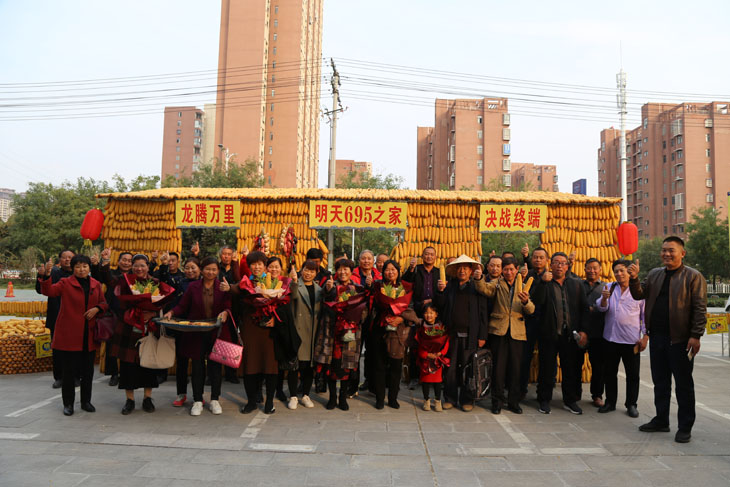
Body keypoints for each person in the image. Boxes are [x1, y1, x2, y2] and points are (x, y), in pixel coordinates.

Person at [628, 236, 706, 443]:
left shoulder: (693, 276)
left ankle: (685, 426)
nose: (667, 254)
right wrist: (634, 279)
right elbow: (639, 295)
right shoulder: (654, 274)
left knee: (683, 384)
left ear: (682, 253)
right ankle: (661, 420)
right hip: (658, 338)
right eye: (664, 250)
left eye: (671, 250)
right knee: (660, 382)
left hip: (681, 340)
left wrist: (696, 335)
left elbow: (700, 308)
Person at [40, 255, 107, 416]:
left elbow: (104, 303)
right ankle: (68, 404)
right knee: (69, 373)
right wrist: (47, 275)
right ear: (73, 268)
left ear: (89, 268)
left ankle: (86, 402)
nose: (81, 269)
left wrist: (97, 308)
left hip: (88, 335)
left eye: (84, 266)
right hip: (70, 335)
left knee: (88, 372)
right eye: (77, 266)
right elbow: (49, 291)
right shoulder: (65, 283)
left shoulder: (95, 284)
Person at [165, 257, 232, 416]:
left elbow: (228, 305)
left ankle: (215, 399)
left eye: (214, 269)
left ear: (218, 271)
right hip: (196, 331)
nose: (210, 272)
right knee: (197, 366)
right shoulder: (193, 287)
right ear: (202, 270)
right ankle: (197, 400)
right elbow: (183, 305)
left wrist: (225, 312)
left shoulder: (222, 287)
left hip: (215, 331)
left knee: (215, 367)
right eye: (207, 269)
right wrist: (172, 312)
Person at [473, 256, 534, 415]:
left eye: (511, 269)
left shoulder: (523, 286)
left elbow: (531, 310)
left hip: (517, 333)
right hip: (499, 331)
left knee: (515, 370)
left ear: (517, 270)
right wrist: (478, 278)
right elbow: (484, 289)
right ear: (502, 271)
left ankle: (513, 402)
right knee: (498, 369)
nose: (508, 272)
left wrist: (526, 302)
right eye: (505, 269)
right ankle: (497, 402)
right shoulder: (497, 283)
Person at [533, 252, 590, 415]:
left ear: (567, 266)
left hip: (570, 335)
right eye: (556, 262)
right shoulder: (544, 282)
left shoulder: (576, 284)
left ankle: (570, 400)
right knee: (547, 368)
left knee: (570, 368)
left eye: (563, 263)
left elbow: (584, 309)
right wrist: (542, 283)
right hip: (549, 333)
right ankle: (544, 399)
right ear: (550, 265)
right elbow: (536, 302)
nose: (559, 266)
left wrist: (583, 330)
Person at [224, 251, 279, 414]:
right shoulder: (245, 283)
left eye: (260, 264)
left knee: (270, 365)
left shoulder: (275, 282)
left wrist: (276, 319)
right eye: (253, 264)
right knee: (251, 364)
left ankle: (269, 402)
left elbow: (284, 305)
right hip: (250, 328)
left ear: (265, 266)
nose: (257, 267)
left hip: (269, 329)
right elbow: (236, 290)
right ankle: (251, 401)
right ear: (249, 266)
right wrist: (229, 288)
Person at [108, 254, 163, 415]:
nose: (139, 268)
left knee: (148, 364)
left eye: (142, 265)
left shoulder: (155, 282)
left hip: (148, 327)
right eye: (136, 265)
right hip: (128, 327)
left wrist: (152, 314)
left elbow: (162, 304)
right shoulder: (124, 281)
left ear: (148, 266)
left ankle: (147, 398)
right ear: (132, 267)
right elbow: (109, 284)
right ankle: (129, 400)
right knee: (127, 365)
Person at [435, 255, 488, 412]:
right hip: (451, 335)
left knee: (468, 368)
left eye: (465, 268)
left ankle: (467, 399)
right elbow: (440, 306)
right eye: (459, 268)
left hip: (470, 336)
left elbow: (483, 314)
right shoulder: (449, 286)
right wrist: (440, 292)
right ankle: (450, 398)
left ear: (471, 271)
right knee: (450, 368)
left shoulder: (477, 288)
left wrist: (482, 336)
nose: (462, 271)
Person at [314, 259, 368, 411]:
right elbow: (322, 302)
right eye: (340, 269)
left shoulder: (358, 288)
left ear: (351, 271)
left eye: (346, 269)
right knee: (332, 365)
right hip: (332, 332)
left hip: (350, 332)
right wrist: (328, 290)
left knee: (347, 365)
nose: (343, 272)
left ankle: (342, 398)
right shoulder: (330, 285)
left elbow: (364, 309)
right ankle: (332, 398)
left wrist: (355, 318)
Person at [596, 259, 646, 418]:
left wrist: (645, 336)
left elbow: (645, 316)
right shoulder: (610, 287)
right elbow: (601, 308)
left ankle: (631, 404)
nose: (618, 274)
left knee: (633, 375)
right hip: (610, 338)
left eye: (622, 270)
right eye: (616, 271)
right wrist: (604, 298)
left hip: (631, 340)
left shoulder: (638, 290)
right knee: (610, 373)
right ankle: (610, 402)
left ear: (629, 272)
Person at [370, 260, 415, 409]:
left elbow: (411, 308)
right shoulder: (378, 286)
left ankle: (393, 398)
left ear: (398, 271)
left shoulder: (406, 287)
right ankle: (379, 398)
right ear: (383, 272)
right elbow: (372, 306)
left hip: (398, 331)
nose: (390, 272)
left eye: (393, 269)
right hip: (380, 329)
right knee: (379, 365)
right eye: (387, 270)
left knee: (396, 366)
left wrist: (401, 318)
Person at [402, 246, 440, 391]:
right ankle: (414, 377)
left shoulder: (439, 272)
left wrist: (432, 301)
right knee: (415, 346)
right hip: (418, 313)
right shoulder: (416, 270)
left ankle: (433, 377)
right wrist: (411, 269)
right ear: (422, 256)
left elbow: (443, 291)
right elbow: (405, 283)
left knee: (434, 346)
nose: (429, 256)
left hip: (434, 314)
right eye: (426, 254)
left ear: (435, 257)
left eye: (432, 254)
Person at [91, 249, 131, 387]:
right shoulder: (111, 273)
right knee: (111, 345)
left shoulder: (135, 275)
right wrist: (100, 263)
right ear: (118, 261)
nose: (126, 263)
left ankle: (126, 373)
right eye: (124, 260)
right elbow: (99, 277)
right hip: (113, 312)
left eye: (129, 261)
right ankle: (114, 374)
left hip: (130, 313)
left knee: (128, 345)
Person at [286, 260, 322, 410]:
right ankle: (293, 396)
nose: (308, 273)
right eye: (306, 270)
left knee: (309, 366)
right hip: (298, 330)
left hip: (313, 331)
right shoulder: (295, 284)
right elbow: (292, 297)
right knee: (295, 364)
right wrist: (294, 282)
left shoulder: (319, 289)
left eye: (312, 271)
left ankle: (306, 395)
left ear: (316, 273)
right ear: (301, 270)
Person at [36, 249, 74, 388]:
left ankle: (75, 376)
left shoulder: (79, 274)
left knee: (75, 349)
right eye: (64, 257)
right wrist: (42, 275)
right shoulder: (53, 273)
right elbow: (40, 290)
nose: (67, 260)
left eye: (70, 257)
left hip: (75, 319)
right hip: (56, 317)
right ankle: (59, 377)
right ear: (60, 260)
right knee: (57, 349)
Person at [519, 247, 550, 400]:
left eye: (541, 257)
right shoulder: (526, 275)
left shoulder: (550, 276)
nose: (538, 260)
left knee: (546, 358)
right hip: (528, 321)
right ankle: (521, 389)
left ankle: (543, 393)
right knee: (524, 357)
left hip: (546, 322)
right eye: (535, 257)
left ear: (546, 260)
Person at [172, 257, 202, 407]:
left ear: (200, 269)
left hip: (200, 328)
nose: (190, 271)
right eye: (187, 268)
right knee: (182, 363)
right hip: (182, 327)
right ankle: (181, 393)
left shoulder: (205, 283)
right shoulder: (180, 283)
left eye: (193, 268)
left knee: (198, 363)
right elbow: (176, 303)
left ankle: (198, 395)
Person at [415, 304, 449, 412]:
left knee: (437, 381)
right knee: (425, 381)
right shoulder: (421, 328)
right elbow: (419, 343)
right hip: (426, 359)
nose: (428, 315)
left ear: (436, 314)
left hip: (437, 358)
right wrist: (426, 354)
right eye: (426, 313)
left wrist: (441, 353)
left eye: (431, 313)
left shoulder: (441, 327)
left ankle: (438, 401)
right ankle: (426, 400)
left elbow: (446, 341)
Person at [583, 258, 607, 407]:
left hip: (598, 332)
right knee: (574, 363)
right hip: (580, 330)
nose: (592, 271)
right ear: (584, 269)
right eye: (589, 268)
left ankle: (597, 395)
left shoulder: (606, 287)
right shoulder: (578, 285)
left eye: (595, 268)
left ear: (600, 270)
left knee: (598, 366)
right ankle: (574, 393)